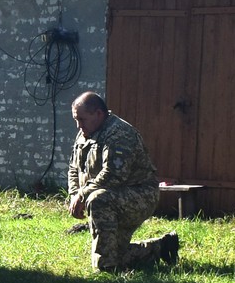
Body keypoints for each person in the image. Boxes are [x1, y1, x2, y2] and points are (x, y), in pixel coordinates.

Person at [66, 92, 175, 273]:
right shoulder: (86, 132)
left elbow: (113, 175)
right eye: (76, 120)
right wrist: (74, 194)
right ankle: (160, 248)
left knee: (98, 200)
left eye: (82, 119)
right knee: (116, 252)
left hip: (139, 195)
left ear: (99, 114)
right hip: (114, 195)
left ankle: (108, 269)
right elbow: (73, 168)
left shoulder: (119, 134)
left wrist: (83, 194)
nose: (79, 125)